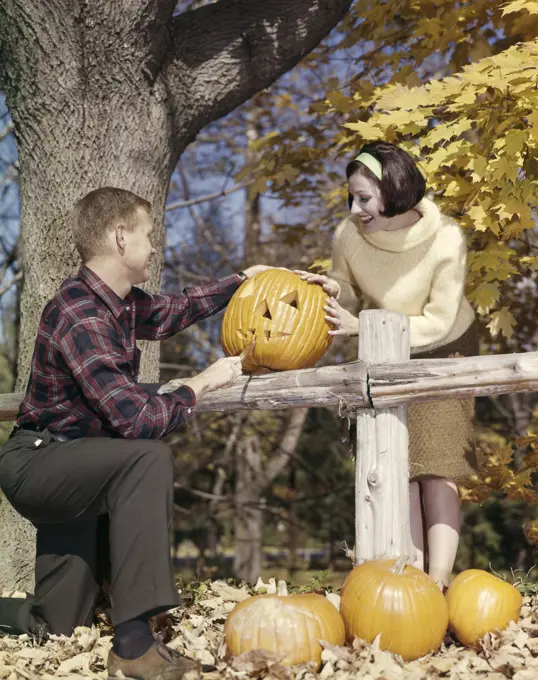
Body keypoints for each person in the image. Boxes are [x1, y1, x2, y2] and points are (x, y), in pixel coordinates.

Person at [0, 187, 275, 680]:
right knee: (148, 456)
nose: (155, 247)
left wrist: (242, 282)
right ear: (120, 237)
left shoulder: (120, 305)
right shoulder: (78, 312)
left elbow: (174, 310)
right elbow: (136, 420)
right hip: (40, 463)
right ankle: (133, 647)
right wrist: (199, 384)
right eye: (148, 236)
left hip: (81, 468)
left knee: (57, 624)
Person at [299, 141, 478, 590]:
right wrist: (335, 291)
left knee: (436, 466)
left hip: (444, 347)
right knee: (399, 468)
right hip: (382, 346)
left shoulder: (447, 239)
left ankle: (438, 585)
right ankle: (411, 582)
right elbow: (348, 283)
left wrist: (362, 325)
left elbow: (438, 320)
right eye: (352, 197)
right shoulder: (349, 234)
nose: (356, 208)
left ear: (395, 189)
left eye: (364, 197)